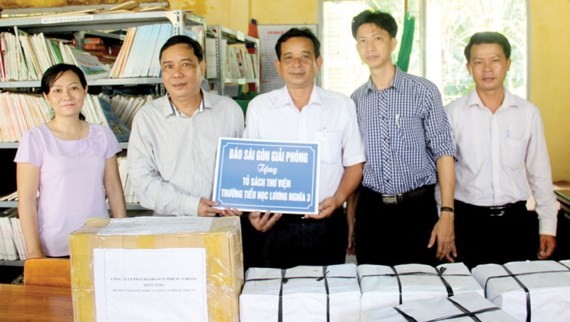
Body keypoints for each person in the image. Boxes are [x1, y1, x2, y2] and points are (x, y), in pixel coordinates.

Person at [242, 27, 365, 269]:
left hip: (326, 224)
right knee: (274, 298)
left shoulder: (341, 105)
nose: (296, 64)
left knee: (327, 299)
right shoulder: (260, 107)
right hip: (274, 225)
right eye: (289, 57)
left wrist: (339, 198)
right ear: (278, 65)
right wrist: (252, 213)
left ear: (318, 62)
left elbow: (354, 163)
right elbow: (249, 168)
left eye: (305, 56)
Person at [350, 10, 457, 266]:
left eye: (377, 38)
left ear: (393, 43)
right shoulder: (354, 101)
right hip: (372, 212)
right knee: (374, 291)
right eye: (362, 40)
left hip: (416, 211)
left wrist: (447, 213)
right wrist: (351, 217)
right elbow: (354, 162)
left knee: (421, 292)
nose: (370, 47)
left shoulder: (423, 91)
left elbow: (444, 152)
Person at [445, 31, 558, 268]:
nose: (487, 69)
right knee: (469, 298)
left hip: (515, 223)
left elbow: (540, 174)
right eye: (478, 62)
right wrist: (445, 223)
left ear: (507, 64)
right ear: (468, 67)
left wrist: (548, 226)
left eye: (495, 60)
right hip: (467, 223)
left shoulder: (528, 113)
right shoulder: (452, 114)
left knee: (516, 298)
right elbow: (442, 177)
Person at [15, 63, 127, 258]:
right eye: (57, 90)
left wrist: (124, 236)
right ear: (46, 97)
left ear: (85, 91)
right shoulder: (35, 138)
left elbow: (114, 188)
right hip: (53, 244)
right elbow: (26, 200)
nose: (66, 96)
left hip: (99, 240)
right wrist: (34, 251)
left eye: (73, 88)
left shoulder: (102, 134)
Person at [128, 35, 244, 216]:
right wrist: (191, 206)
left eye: (185, 64)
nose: (177, 74)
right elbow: (142, 180)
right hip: (170, 227)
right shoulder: (147, 118)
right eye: (168, 67)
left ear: (202, 67)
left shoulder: (229, 111)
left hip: (223, 221)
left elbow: (243, 168)